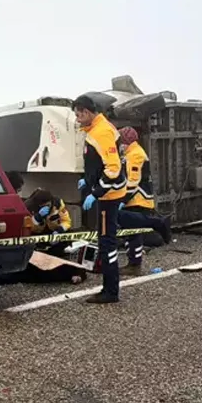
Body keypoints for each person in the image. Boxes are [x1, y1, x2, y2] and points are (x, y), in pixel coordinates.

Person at [73, 95, 126, 304]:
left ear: (87, 112)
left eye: (78, 114)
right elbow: (98, 163)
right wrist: (87, 181)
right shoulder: (96, 129)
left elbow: (113, 168)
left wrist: (96, 193)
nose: (77, 119)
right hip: (107, 193)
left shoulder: (101, 132)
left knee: (107, 242)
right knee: (106, 239)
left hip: (109, 196)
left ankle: (110, 291)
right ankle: (109, 288)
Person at [116, 126, 172, 273]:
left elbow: (133, 182)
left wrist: (122, 200)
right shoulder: (131, 153)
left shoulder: (135, 155)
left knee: (132, 231)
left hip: (138, 199)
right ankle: (133, 263)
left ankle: (134, 264)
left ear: (126, 141)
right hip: (135, 199)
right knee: (131, 232)